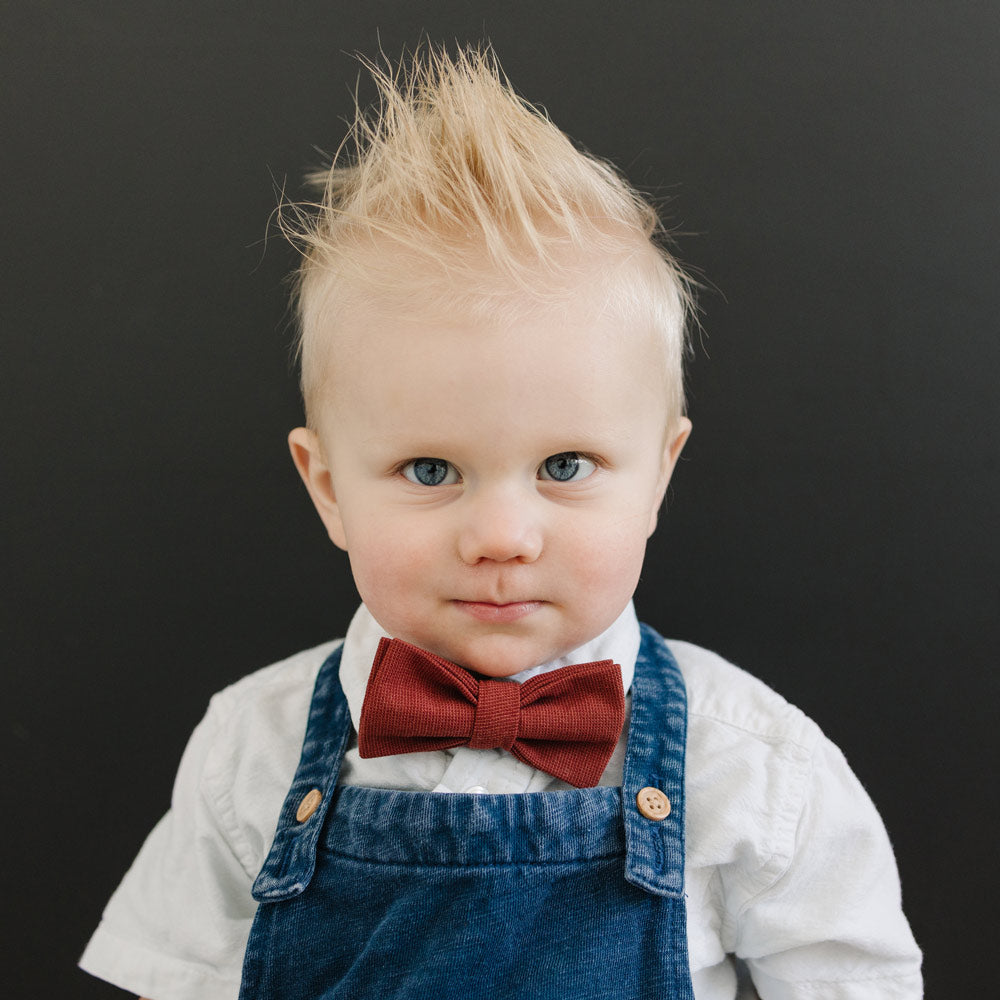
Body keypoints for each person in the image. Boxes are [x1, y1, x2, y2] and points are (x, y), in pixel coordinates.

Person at [79, 46, 922, 1000]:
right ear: (326, 489)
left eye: (566, 467)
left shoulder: (748, 765)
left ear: (658, 476)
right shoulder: (253, 749)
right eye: (431, 470)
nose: (502, 535)